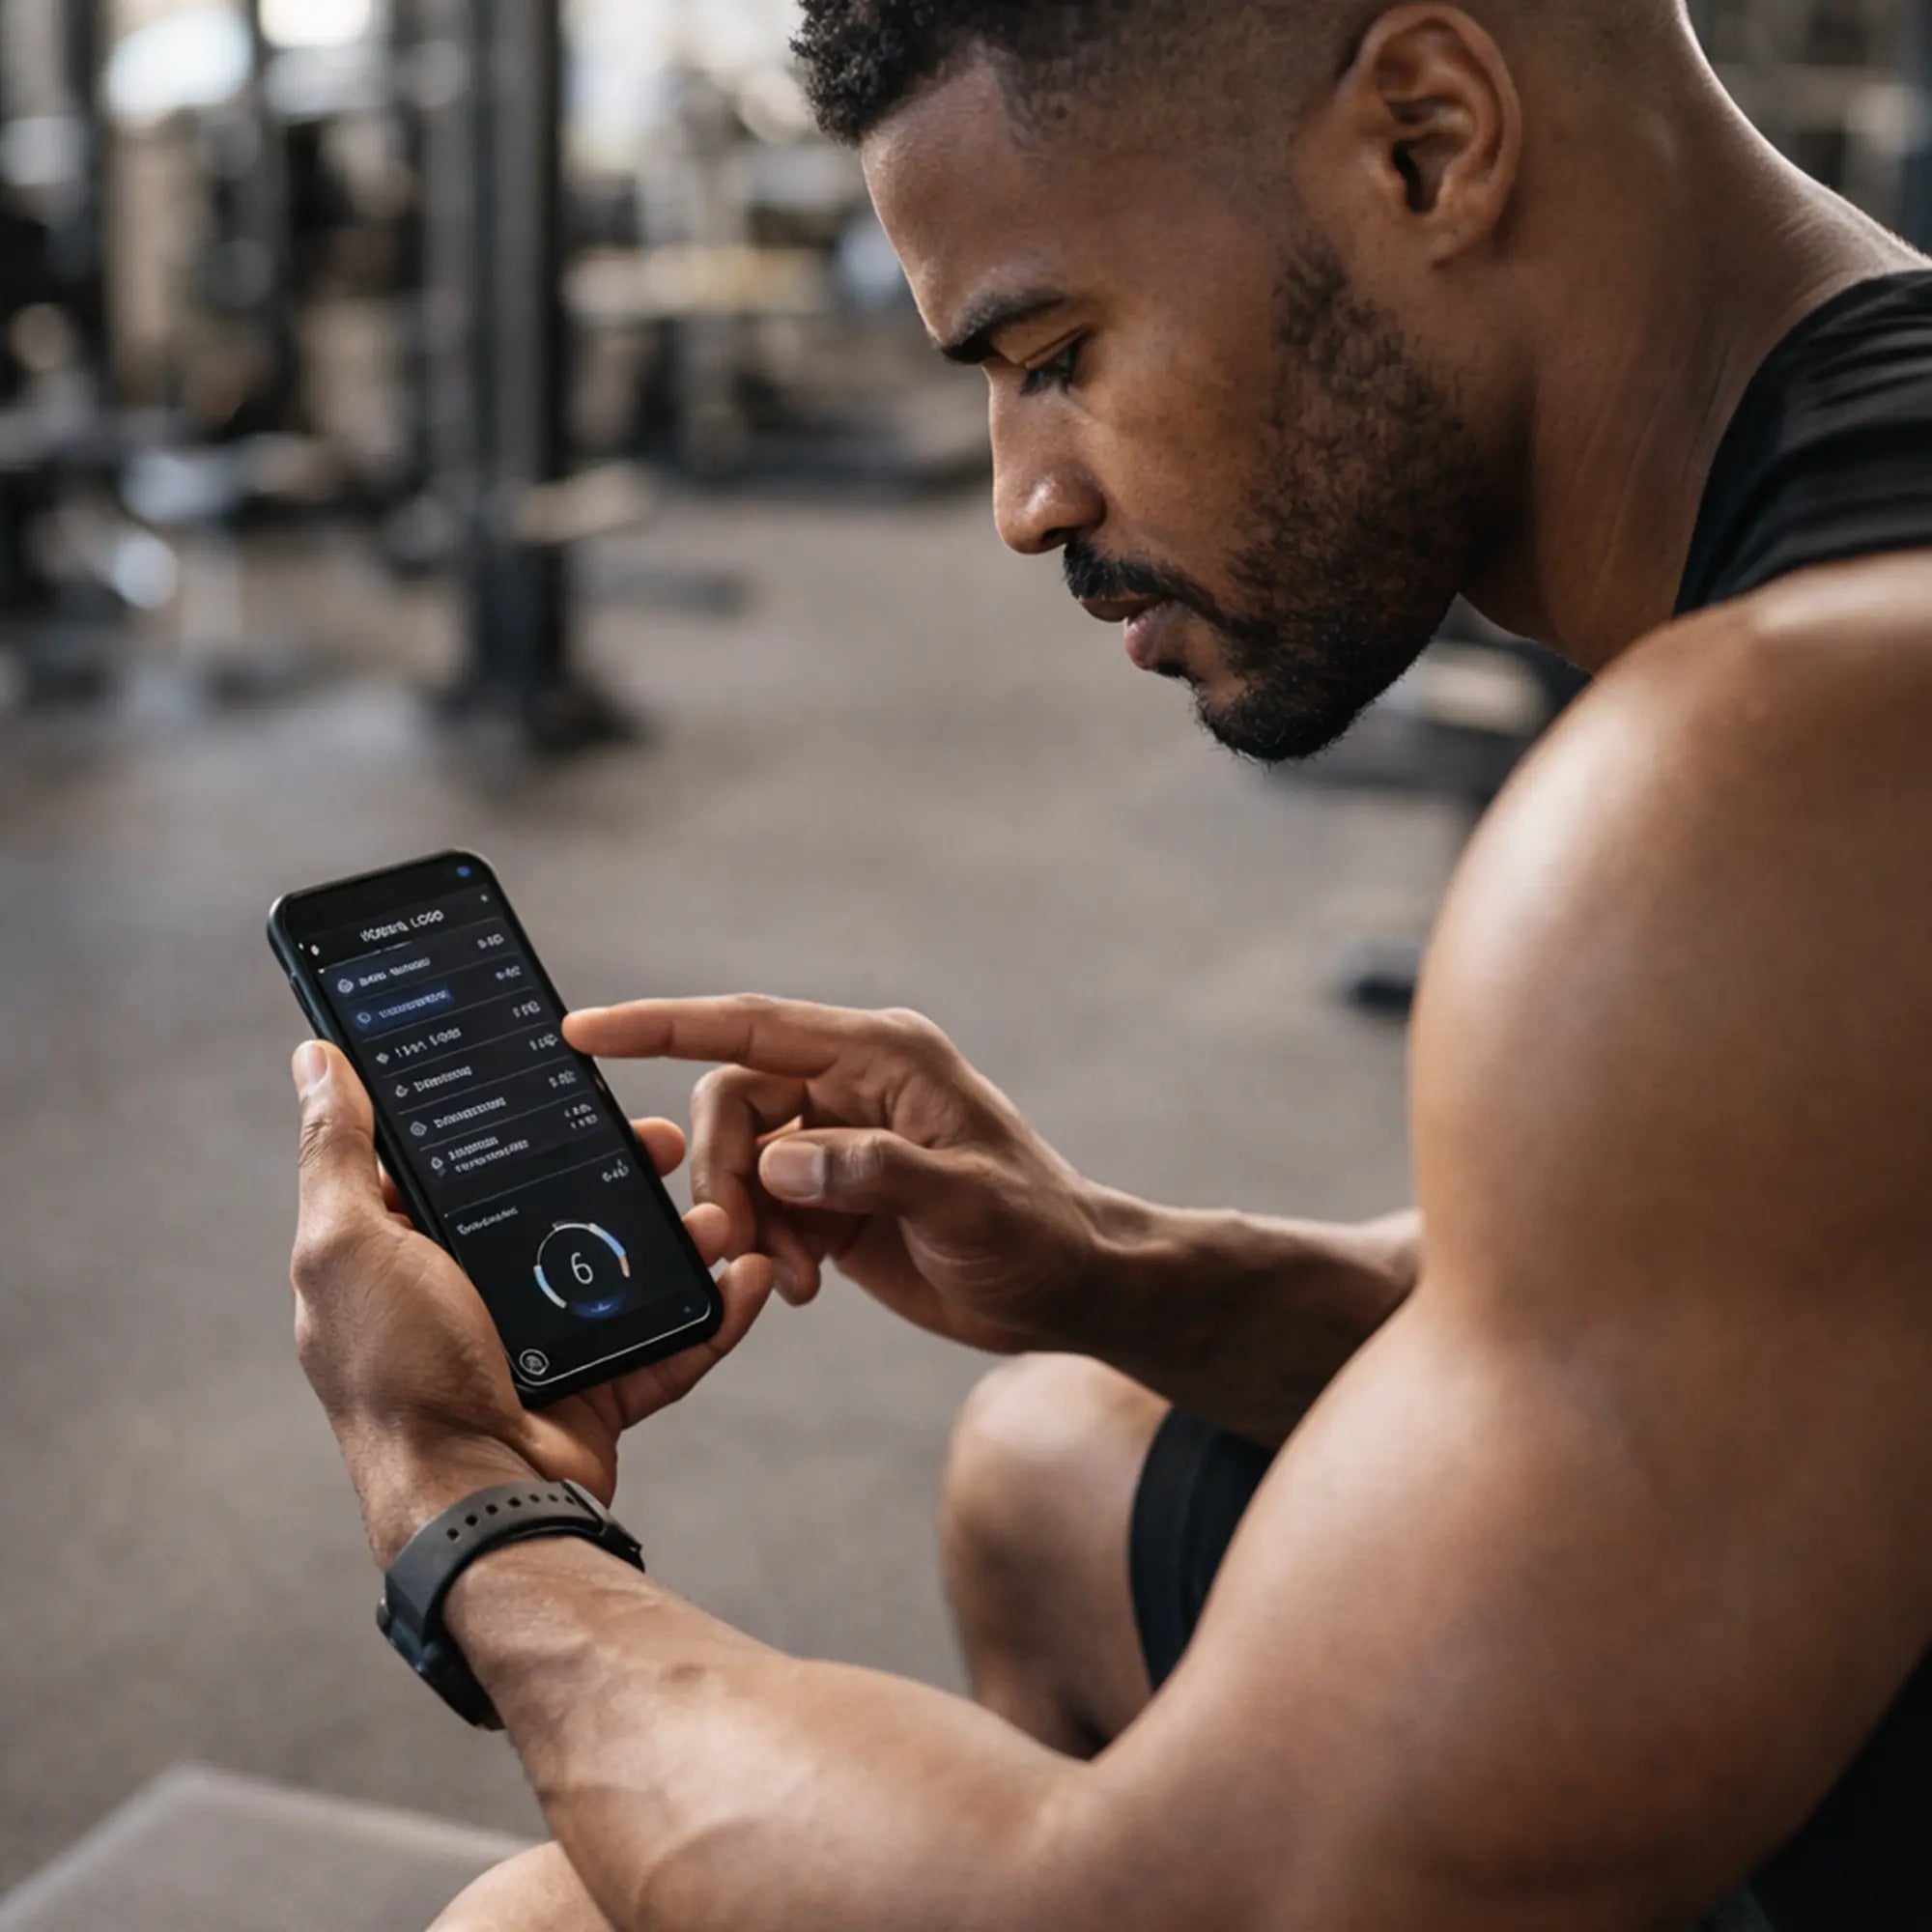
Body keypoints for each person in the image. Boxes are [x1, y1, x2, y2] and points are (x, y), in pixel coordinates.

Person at [283, 4, 1932, 1926]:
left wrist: (466, 1504)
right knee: (1048, 1451)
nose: (1022, 499)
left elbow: (1174, 1904)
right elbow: (1734, 1252)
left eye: (1054, 356)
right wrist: (1105, 1265)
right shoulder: (1857, 477)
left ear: (1424, 140)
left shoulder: (1786, 775)